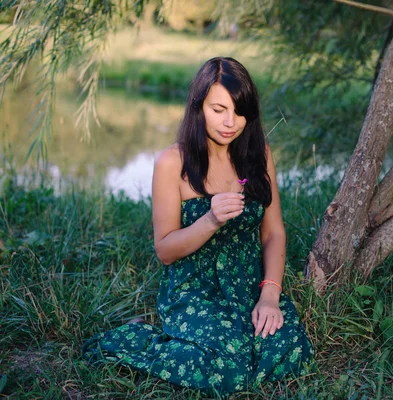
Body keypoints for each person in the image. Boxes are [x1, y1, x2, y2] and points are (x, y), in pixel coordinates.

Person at [82, 57, 314, 395]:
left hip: (249, 283)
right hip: (194, 290)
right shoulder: (172, 163)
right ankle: (143, 342)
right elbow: (165, 249)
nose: (229, 122)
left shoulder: (257, 154)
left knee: (291, 351)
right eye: (218, 109)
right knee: (228, 367)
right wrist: (210, 219)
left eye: (238, 111)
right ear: (198, 106)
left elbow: (274, 232)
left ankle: (232, 338)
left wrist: (269, 295)